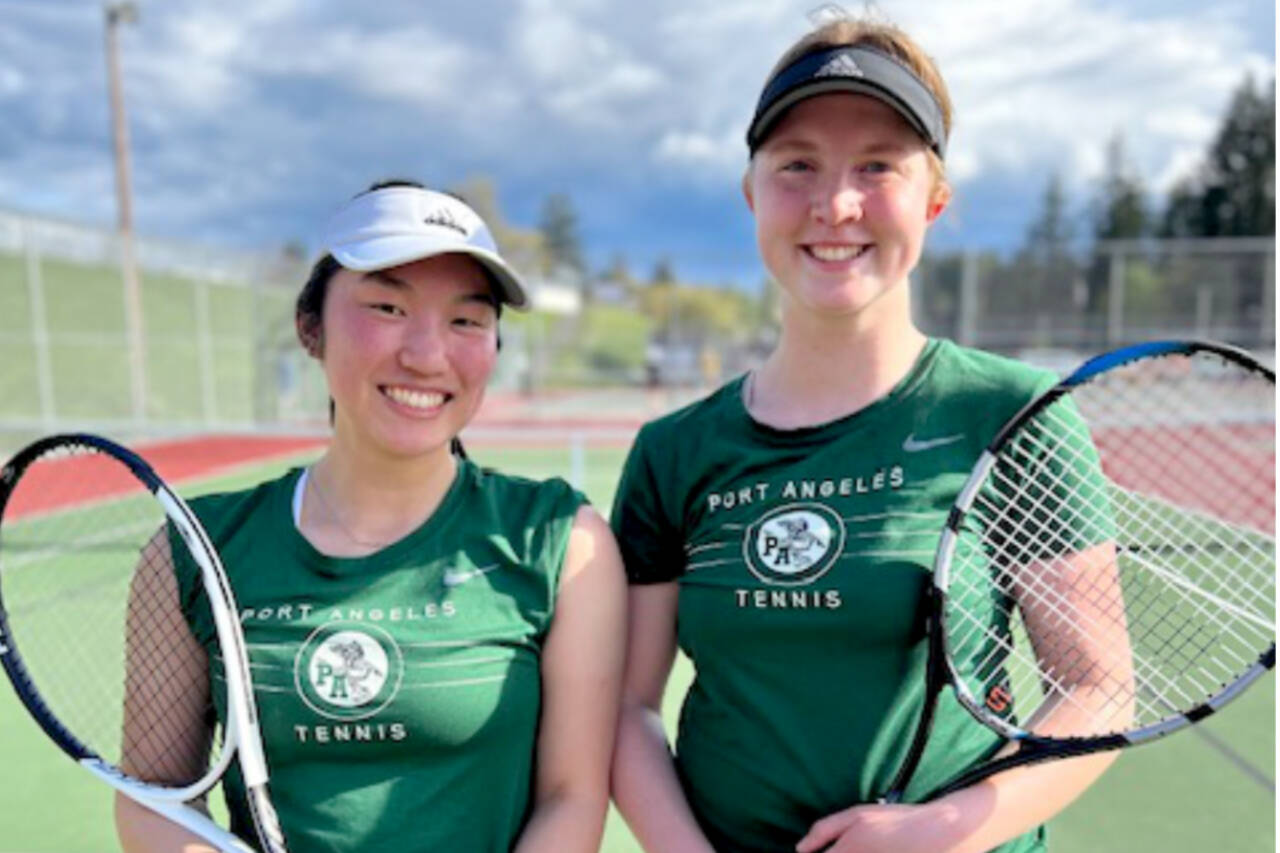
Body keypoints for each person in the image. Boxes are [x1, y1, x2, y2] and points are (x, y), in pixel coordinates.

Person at [609, 16, 1121, 853]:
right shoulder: (674, 453)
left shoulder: (1015, 414)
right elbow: (628, 709)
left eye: (878, 166)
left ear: (934, 200)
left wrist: (938, 831)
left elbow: (1096, 687)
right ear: (752, 194)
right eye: (797, 165)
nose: (835, 205)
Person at [115, 181, 626, 852]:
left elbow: (573, 797)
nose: (427, 355)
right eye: (388, 307)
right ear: (311, 327)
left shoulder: (560, 540)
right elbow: (154, 802)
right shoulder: (195, 551)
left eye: (466, 320)